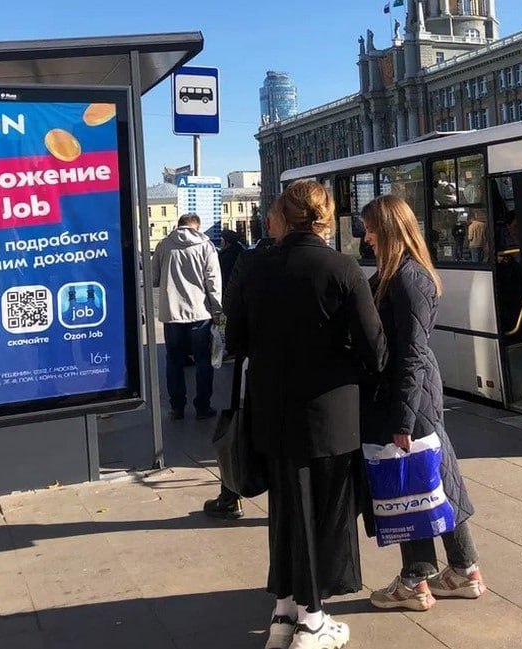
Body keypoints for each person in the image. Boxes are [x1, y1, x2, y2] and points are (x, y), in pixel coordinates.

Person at [229, 180, 387, 649]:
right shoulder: (341, 268)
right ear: (324, 216)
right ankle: (314, 621)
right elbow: (374, 351)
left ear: (283, 215)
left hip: (271, 414)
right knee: (323, 517)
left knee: (285, 512)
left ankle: (283, 614)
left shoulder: (253, 267)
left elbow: (236, 342)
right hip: (329, 416)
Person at [360, 195, 486, 612]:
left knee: (413, 480)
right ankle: (463, 570)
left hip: (409, 394)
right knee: (434, 480)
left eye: (371, 228)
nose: (367, 237)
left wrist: (402, 418)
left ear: (390, 229)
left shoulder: (405, 278)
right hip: (415, 394)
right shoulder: (402, 273)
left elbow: (411, 352)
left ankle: (416, 579)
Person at [201, 231, 279, 521]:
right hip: (296, 371)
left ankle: (231, 495)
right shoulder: (320, 260)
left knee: (238, 428)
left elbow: (232, 313)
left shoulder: (249, 261)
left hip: (252, 365)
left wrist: (233, 347)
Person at [153, 213, 222, 421]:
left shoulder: (163, 245)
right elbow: (213, 282)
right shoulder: (206, 246)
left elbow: (154, 278)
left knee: (173, 361)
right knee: (203, 361)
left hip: (172, 314)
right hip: (200, 314)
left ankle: (177, 408)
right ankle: (202, 407)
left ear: (178, 225)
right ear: (197, 227)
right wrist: (218, 311)